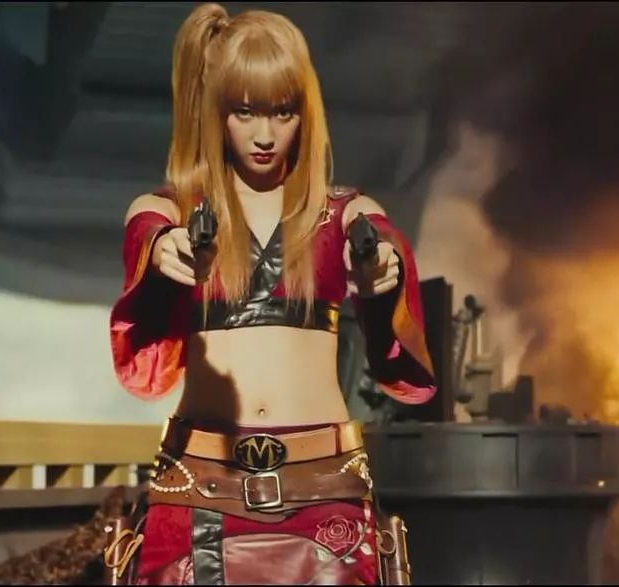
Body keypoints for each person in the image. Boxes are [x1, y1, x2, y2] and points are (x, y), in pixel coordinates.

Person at [108, 4, 436, 585]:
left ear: (305, 113)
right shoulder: (172, 208)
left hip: (324, 495)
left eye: (283, 112)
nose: (264, 135)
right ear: (217, 111)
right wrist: (163, 253)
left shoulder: (342, 211)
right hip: (201, 489)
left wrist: (381, 267)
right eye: (245, 112)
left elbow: (381, 241)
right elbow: (147, 232)